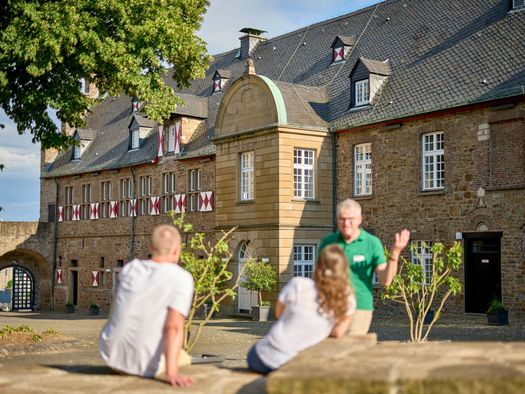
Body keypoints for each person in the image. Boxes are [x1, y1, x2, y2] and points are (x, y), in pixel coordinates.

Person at [99, 225, 194, 388]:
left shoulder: (130, 269)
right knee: (185, 357)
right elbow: (174, 327)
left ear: (151, 247)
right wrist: (172, 373)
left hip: (111, 356)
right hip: (143, 364)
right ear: (177, 249)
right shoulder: (182, 278)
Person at [247, 244, 356, 374]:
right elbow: (337, 333)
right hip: (297, 361)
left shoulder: (299, 284)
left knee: (257, 351)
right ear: (344, 271)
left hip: (265, 356)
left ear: (318, 266)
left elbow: (279, 314)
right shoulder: (347, 299)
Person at [319, 199, 410, 336]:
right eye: (342, 219)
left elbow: (386, 280)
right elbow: (319, 276)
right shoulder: (328, 242)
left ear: (360, 219)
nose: (346, 224)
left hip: (359, 306)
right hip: (330, 306)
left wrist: (395, 253)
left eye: (351, 219)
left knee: (351, 348)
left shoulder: (371, 243)